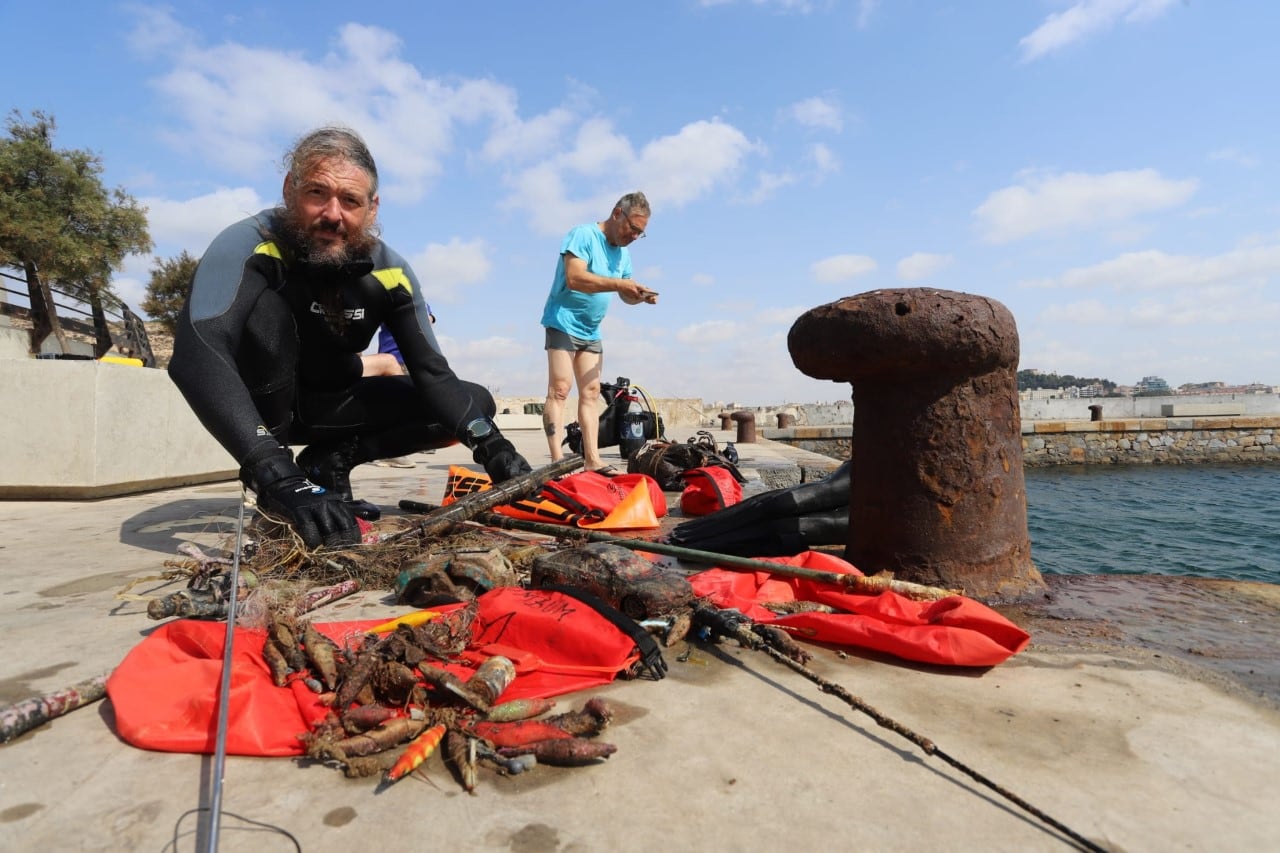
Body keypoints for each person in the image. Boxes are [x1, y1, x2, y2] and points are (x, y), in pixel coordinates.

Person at [169, 126, 531, 549]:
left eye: (351, 201)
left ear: (372, 209)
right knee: (266, 317)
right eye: (317, 193)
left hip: (331, 404)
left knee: (476, 405)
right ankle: (285, 487)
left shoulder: (390, 271)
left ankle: (328, 463)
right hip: (266, 414)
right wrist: (275, 474)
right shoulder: (251, 243)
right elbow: (198, 350)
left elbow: (433, 373)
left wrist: (493, 447)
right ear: (290, 190)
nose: (333, 214)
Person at [540, 192, 658, 473]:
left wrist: (637, 296)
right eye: (633, 229)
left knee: (591, 392)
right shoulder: (582, 235)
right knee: (560, 390)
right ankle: (557, 462)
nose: (634, 237)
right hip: (563, 321)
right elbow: (575, 278)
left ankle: (592, 460)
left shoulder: (623, 254)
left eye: (640, 234)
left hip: (591, 329)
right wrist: (619, 284)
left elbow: (624, 293)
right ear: (618, 213)